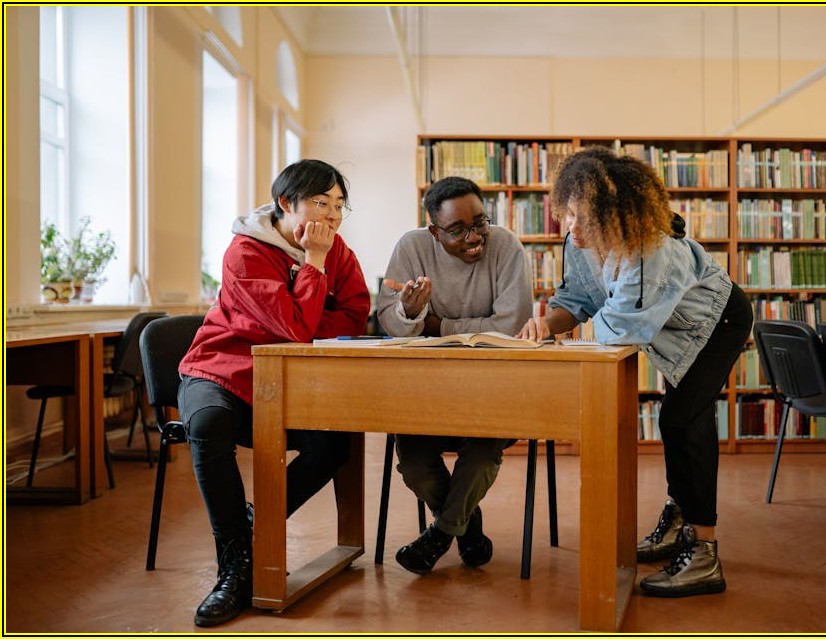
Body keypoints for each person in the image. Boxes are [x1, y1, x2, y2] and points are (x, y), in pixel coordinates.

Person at [516, 147, 753, 598]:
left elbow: (619, 328)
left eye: (584, 218)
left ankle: (704, 553)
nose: (572, 228)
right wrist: (548, 323)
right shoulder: (581, 241)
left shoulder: (651, 249)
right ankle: (680, 517)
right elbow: (578, 299)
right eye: (567, 214)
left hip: (718, 322)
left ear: (616, 216)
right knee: (675, 420)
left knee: (684, 419)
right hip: (673, 327)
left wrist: (570, 338)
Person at [177, 159, 371, 626]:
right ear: (286, 204)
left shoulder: (337, 249)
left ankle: (253, 525)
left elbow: (354, 315)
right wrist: (315, 267)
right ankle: (235, 565)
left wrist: (307, 318)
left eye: (339, 206)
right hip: (220, 370)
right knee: (208, 423)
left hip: (286, 380)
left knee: (333, 444)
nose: (331, 216)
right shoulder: (245, 252)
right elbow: (294, 327)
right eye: (320, 203)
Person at [376, 176, 533, 575]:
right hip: (426, 393)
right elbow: (389, 322)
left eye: (480, 222)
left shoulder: (506, 245)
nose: (474, 236)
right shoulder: (411, 247)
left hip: (493, 390)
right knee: (412, 463)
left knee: (481, 457)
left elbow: (512, 323)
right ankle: (467, 529)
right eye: (457, 230)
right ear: (434, 231)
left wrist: (436, 324)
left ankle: (441, 534)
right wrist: (410, 314)